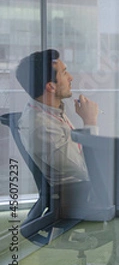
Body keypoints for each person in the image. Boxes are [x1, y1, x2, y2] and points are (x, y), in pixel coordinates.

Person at [16, 49, 100, 185]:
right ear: (50, 87)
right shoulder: (43, 128)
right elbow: (89, 171)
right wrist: (90, 121)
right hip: (81, 193)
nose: (71, 78)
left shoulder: (46, 108)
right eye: (64, 73)